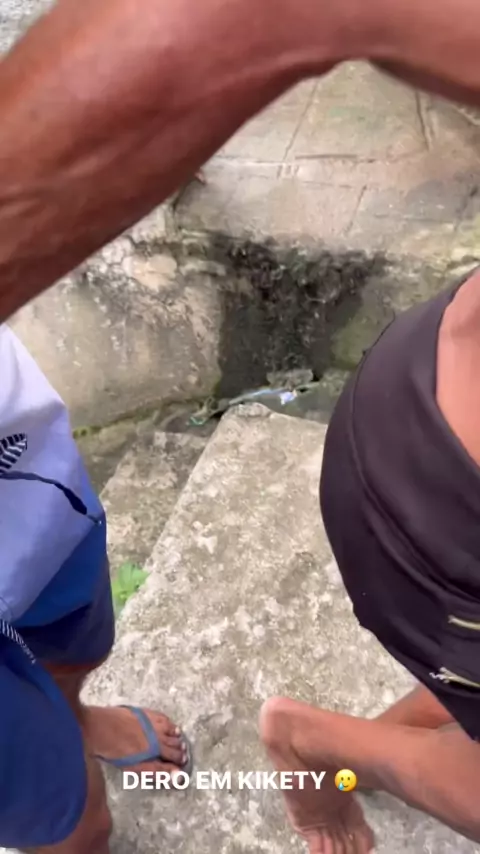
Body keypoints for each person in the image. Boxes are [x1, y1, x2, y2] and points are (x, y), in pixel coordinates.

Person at [1, 0, 480, 851]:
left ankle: (95, 719)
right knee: (72, 821)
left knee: (71, 629)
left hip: (28, 482)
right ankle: (319, 750)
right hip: (442, 486)